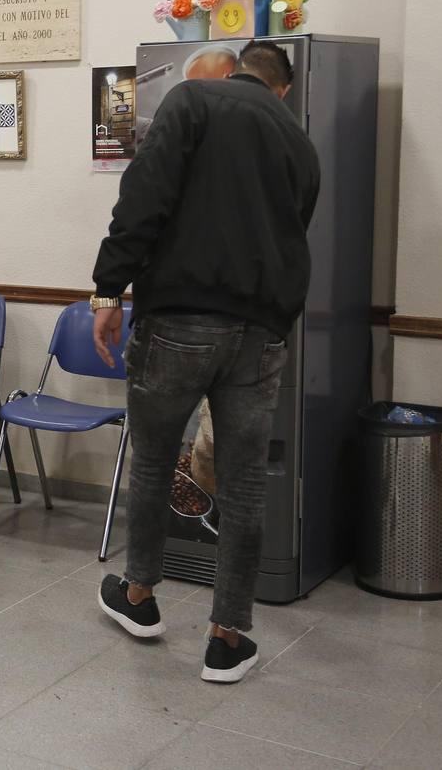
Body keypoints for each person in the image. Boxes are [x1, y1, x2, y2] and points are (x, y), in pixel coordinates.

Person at [88, 40, 319, 684]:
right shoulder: (299, 143)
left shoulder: (191, 101)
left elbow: (144, 199)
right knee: (244, 482)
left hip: (181, 320)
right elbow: (295, 233)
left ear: (236, 69)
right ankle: (227, 638)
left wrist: (109, 289)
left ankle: (138, 598)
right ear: (283, 89)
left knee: (157, 459)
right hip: (262, 332)